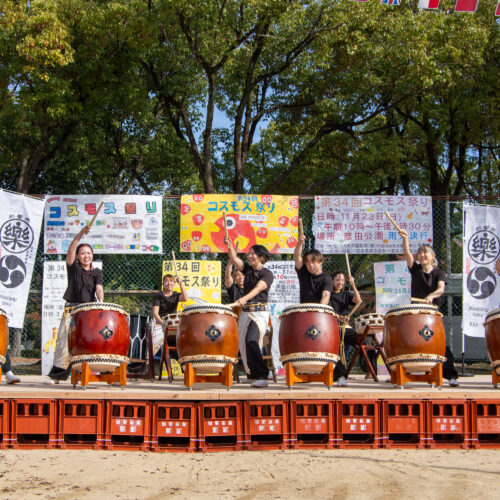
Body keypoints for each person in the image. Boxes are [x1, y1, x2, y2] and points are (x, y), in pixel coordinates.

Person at [400, 229, 459, 387]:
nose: (422, 255)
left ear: (433, 256)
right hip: (415, 313)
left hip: (432, 314)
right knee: (410, 341)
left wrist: (431, 296)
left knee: (439, 345)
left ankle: (451, 376)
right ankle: (400, 373)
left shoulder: (439, 273)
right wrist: (405, 238)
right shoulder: (416, 270)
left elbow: (441, 289)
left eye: (425, 252)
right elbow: (407, 254)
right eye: (420, 253)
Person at [46, 225, 104, 383]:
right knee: (64, 342)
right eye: (83, 253)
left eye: (89, 253)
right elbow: (71, 248)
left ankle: (96, 372)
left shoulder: (97, 272)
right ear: (78, 256)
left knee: (91, 341)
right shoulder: (74, 268)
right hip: (71, 308)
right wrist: (81, 234)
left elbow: (99, 289)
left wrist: (101, 303)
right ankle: (57, 376)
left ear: (92, 255)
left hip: (89, 310)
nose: (86, 256)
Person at [225, 236, 274, 388]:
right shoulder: (247, 270)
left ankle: (262, 375)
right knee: (243, 344)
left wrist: (244, 298)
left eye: (253, 253)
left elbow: (259, 288)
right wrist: (229, 245)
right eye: (249, 253)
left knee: (251, 340)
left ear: (261, 257)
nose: (249, 255)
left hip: (259, 313)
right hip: (246, 313)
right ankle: (252, 375)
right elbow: (234, 259)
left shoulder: (267, 274)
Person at [329, 271, 363, 387]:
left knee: (362, 340)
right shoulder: (328, 295)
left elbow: (358, 301)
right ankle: (340, 375)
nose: (340, 282)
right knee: (336, 350)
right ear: (333, 281)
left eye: (343, 280)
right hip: (334, 327)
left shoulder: (346, 294)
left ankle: (368, 368)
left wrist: (353, 284)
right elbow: (328, 311)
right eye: (338, 280)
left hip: (346, 328)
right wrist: (340, 317)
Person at [151, 274, 188, 356]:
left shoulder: (176, 295)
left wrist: (181, 283)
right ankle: (155, 357)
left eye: (171, 281)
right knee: (156, 341)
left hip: (173, 324)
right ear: (163, 284)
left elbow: (185, 298)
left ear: (174, 284)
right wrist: (163, 324)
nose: (169, 283)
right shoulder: (158, 295)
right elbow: (155, 313)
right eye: (166, 281)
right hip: (161, 324)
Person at [293, 231, 332, 306]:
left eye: (313, 261)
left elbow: (325, 295)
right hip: (305, 309)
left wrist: (319, 310)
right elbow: (297, 257)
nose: (310, 265)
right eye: (307, 262)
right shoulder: (303, 272)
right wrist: (299, 243)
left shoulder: (327, 279)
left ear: (320, 262)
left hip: (321, 310)